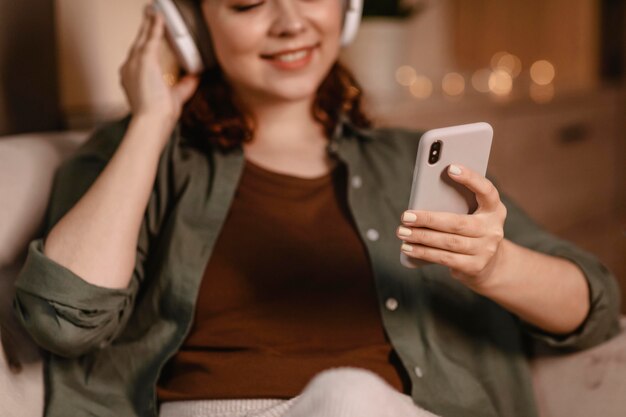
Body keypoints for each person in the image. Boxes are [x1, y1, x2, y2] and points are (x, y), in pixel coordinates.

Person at [13, 1, 621, 417]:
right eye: (248, 2)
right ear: (192, 25)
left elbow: (593, 307)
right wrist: (151, 121)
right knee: (349, 399)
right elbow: (64, 318)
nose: (290, 22)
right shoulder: (140, 158)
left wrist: (494, 267)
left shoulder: (409, 161)